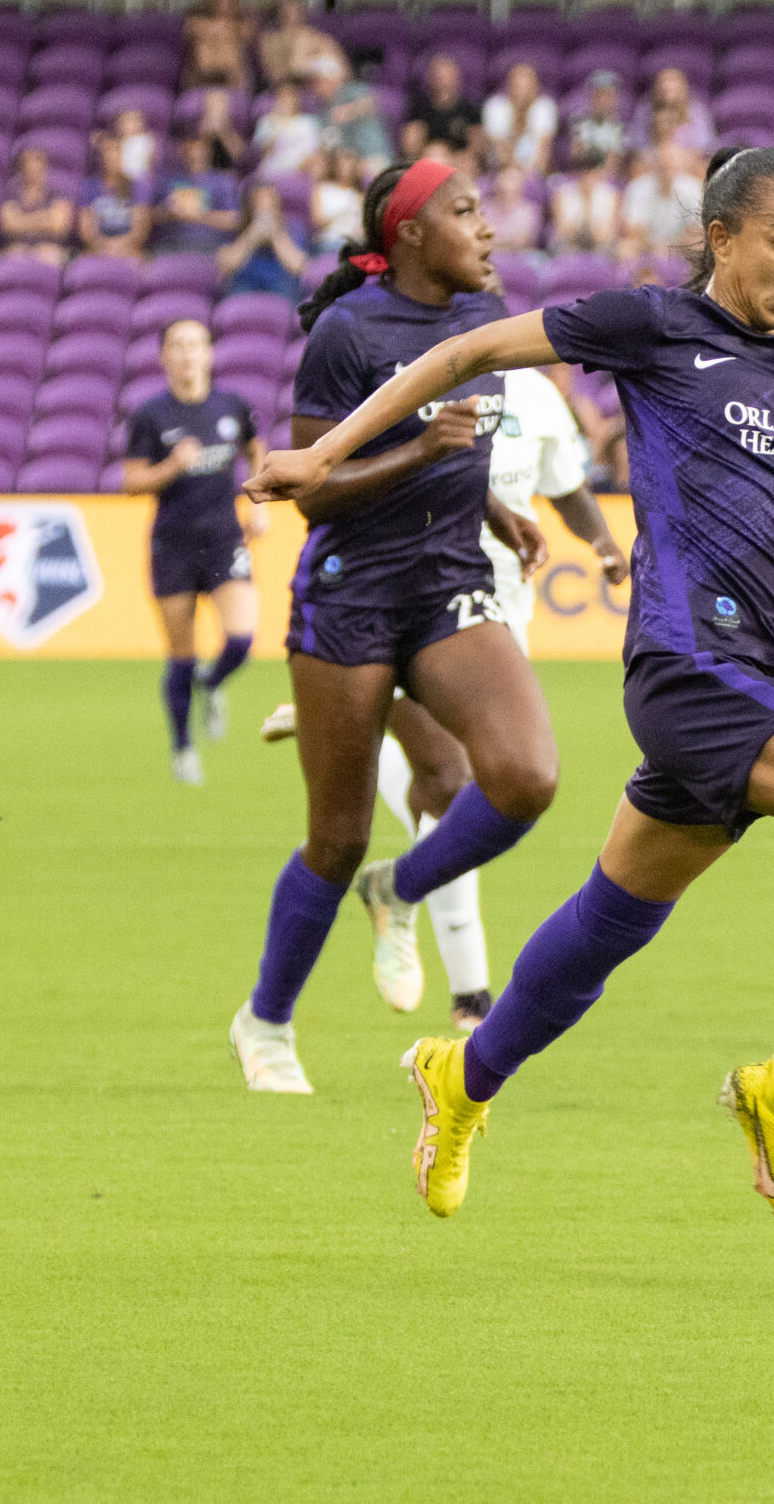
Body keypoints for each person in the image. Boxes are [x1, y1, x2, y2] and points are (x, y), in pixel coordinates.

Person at [241, 144, 774, 1226]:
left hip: (759, 676)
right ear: (722, 236)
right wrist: (324, 459)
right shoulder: (649, 325)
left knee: (611, 922)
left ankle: (461, 1079)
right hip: (689, 668)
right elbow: (461, 356)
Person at [221, 158, 557, 1091]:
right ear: (410, 234)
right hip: (351, 587)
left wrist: (496, 509)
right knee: (338, 834)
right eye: (465, 211)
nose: (486, 228)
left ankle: (397, 891)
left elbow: (461, 449)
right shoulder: (347, 330)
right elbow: (312, 496)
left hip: (450, 579)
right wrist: (420, 451)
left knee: (523, 776)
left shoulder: (486, 321)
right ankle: (267, 1022)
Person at [122, 319, 268, 784]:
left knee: (243, 639)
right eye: (177, 346)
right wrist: (171, 467)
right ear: (164, 357)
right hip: (174, 544)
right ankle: (183, 747)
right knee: (180, 654)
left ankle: (214, 682)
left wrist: (258, 500)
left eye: (195, 345)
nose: (187, 354)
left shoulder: (232, 406)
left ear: (209, 353)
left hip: (224, 537)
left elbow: (255, 447)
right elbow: (131, 482)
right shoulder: (151, 416)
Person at [216, 179, 310, 298]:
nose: (265, 205)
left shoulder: (293, 226)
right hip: (245, 281)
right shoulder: (237, 227)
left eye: (270, 199)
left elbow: (298, 266)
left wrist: (276, 235)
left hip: (280, 282)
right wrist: (251, 235)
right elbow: (227, 266)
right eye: (259, 200)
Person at [152, 136, 243, 255]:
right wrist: (168, 213)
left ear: (209, 149)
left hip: (212, 247)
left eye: (198, 145)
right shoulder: (167, 179)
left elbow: (235, 220)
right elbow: (149, 216)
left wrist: (199, 215)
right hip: (172, 246)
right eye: (188, 144)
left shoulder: (224, 180)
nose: (193, 150)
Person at [481, 63, 558, 176]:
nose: (522, 92)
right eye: (517, 86)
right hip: (500, 171)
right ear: (509, 86)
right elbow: (500, 149)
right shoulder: (495, 106)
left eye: (527, 86)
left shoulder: (544, 107)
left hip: (533, 172)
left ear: (535, 87)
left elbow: (543, 150)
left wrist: (529, 175)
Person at [406, 54, 484, 165]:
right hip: (428, 157)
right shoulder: (419, 107)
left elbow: (477, 147)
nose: (441, 78)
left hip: (459, 160)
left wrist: (456, 157)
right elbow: (410, 143)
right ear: (430, 77)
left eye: (446, 74)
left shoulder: (469, 109)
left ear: (456, 77)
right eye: (437, 74)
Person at [259, 1, 343, 92]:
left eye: (297, 12)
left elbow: (341, 70)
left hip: (330, 87)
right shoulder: (271, 41)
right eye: (288, 14)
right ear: (281, 16)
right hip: (287, 90)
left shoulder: (318, 38)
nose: (293, 18)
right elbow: (280, 74)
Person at [184, 0, 251, 89]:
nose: (225, 3)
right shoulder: (197, 24)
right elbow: (191, 28)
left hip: (231, 79)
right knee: (205, 43)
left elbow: (247, 32)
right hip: (204, 77)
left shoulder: (242, 27)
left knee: (228, 43)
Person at [79, 165, 151, 263]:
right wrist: (105, 246)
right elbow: (86, 230)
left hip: (129, 249)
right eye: (109, 151)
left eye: (118, 150)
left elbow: (140, 228)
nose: (112, 156)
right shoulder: (89, 186)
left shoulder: (137, 186)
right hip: (98, 249)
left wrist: (120, 245)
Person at [254, 82, 324, 179]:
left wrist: (295, 172)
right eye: (282, 96)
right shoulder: (266, 122)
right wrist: (277, 125)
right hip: (271, 174)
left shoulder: (308, 122)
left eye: (290, 96)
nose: (286, 100)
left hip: (300, 173)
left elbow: (313, 153)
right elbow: (263, 153)